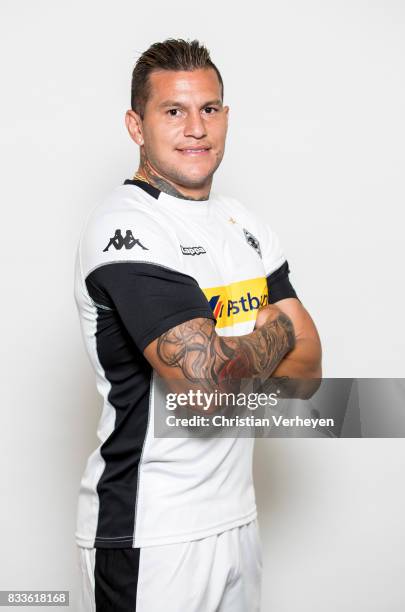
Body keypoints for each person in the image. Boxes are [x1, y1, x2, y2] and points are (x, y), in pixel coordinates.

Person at [74, 38, 322, 611]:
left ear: (226, 117)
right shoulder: (126, 229)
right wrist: (278, 329)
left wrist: (236, 350)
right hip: (151, 532)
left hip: (238, 518)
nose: (195, 128)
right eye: (173, 111)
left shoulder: (244, 224)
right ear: (136, 126)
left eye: (208, 109)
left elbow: (310, 374)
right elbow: (208, 389)